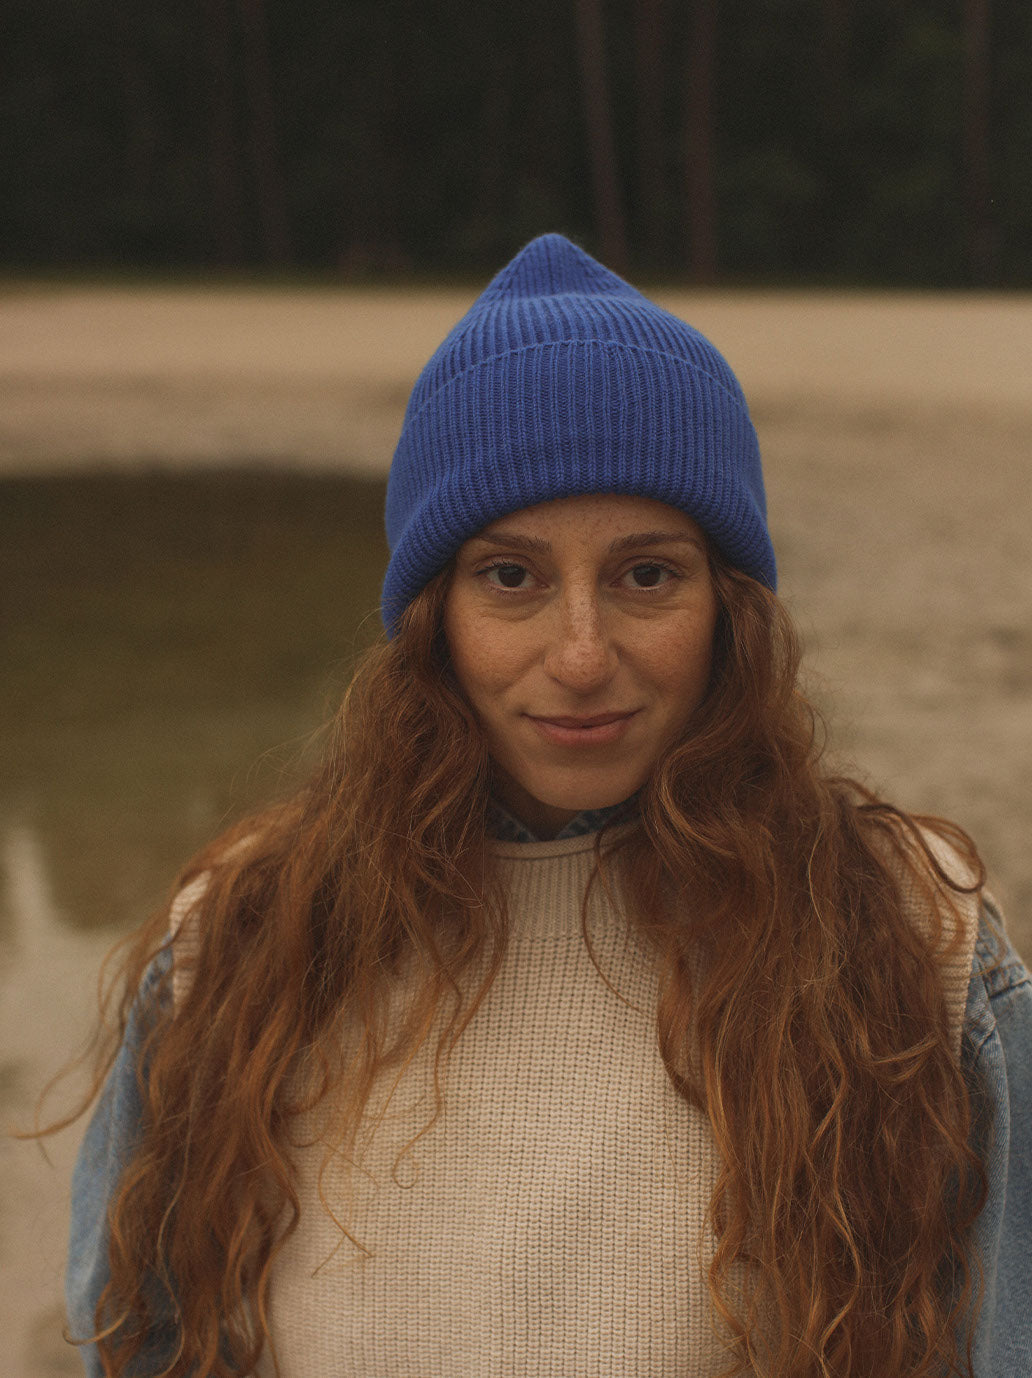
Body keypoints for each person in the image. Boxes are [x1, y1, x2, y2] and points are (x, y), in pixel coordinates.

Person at [62, 234, 1031, 1377]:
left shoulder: (915, 943)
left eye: (646, 575)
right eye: (511, 576)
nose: (580, 655)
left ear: (730, 609)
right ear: (433, 617)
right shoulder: (241, 947)